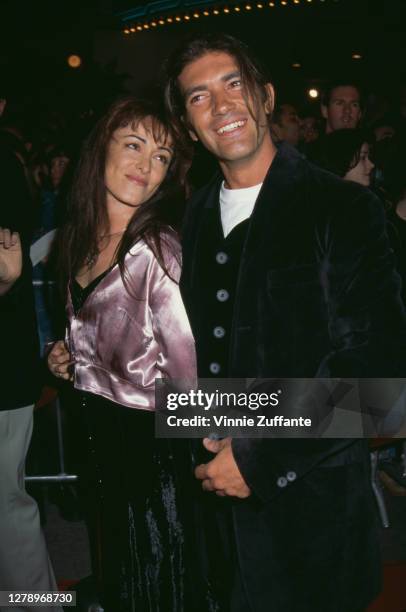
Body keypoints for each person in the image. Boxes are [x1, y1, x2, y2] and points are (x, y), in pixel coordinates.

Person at [164, 33, 406, 612]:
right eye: (200, 97)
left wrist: (257, 455)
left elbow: (378, 379)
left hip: (313, 517)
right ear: (187, 125)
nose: (222, 106)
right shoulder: (188, 219)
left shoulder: (342, 209)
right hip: (215, 517)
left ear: (266, 97)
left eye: (234, 84)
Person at [47, 97, 199, 612]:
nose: (145, 165)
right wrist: (65, 358)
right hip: (101, 439)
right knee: (120, 568)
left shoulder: (157, 249)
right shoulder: (80, 238)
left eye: (161, 156)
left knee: (158, 578)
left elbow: (188, 379)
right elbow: (95, 330)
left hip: (151, 452)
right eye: (133, 145)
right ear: (101, 151)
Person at [0, 94, 61, 611]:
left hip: (3, 367)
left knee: (5, 504)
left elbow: (8, 269)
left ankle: (32, 602)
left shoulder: (4, 163)